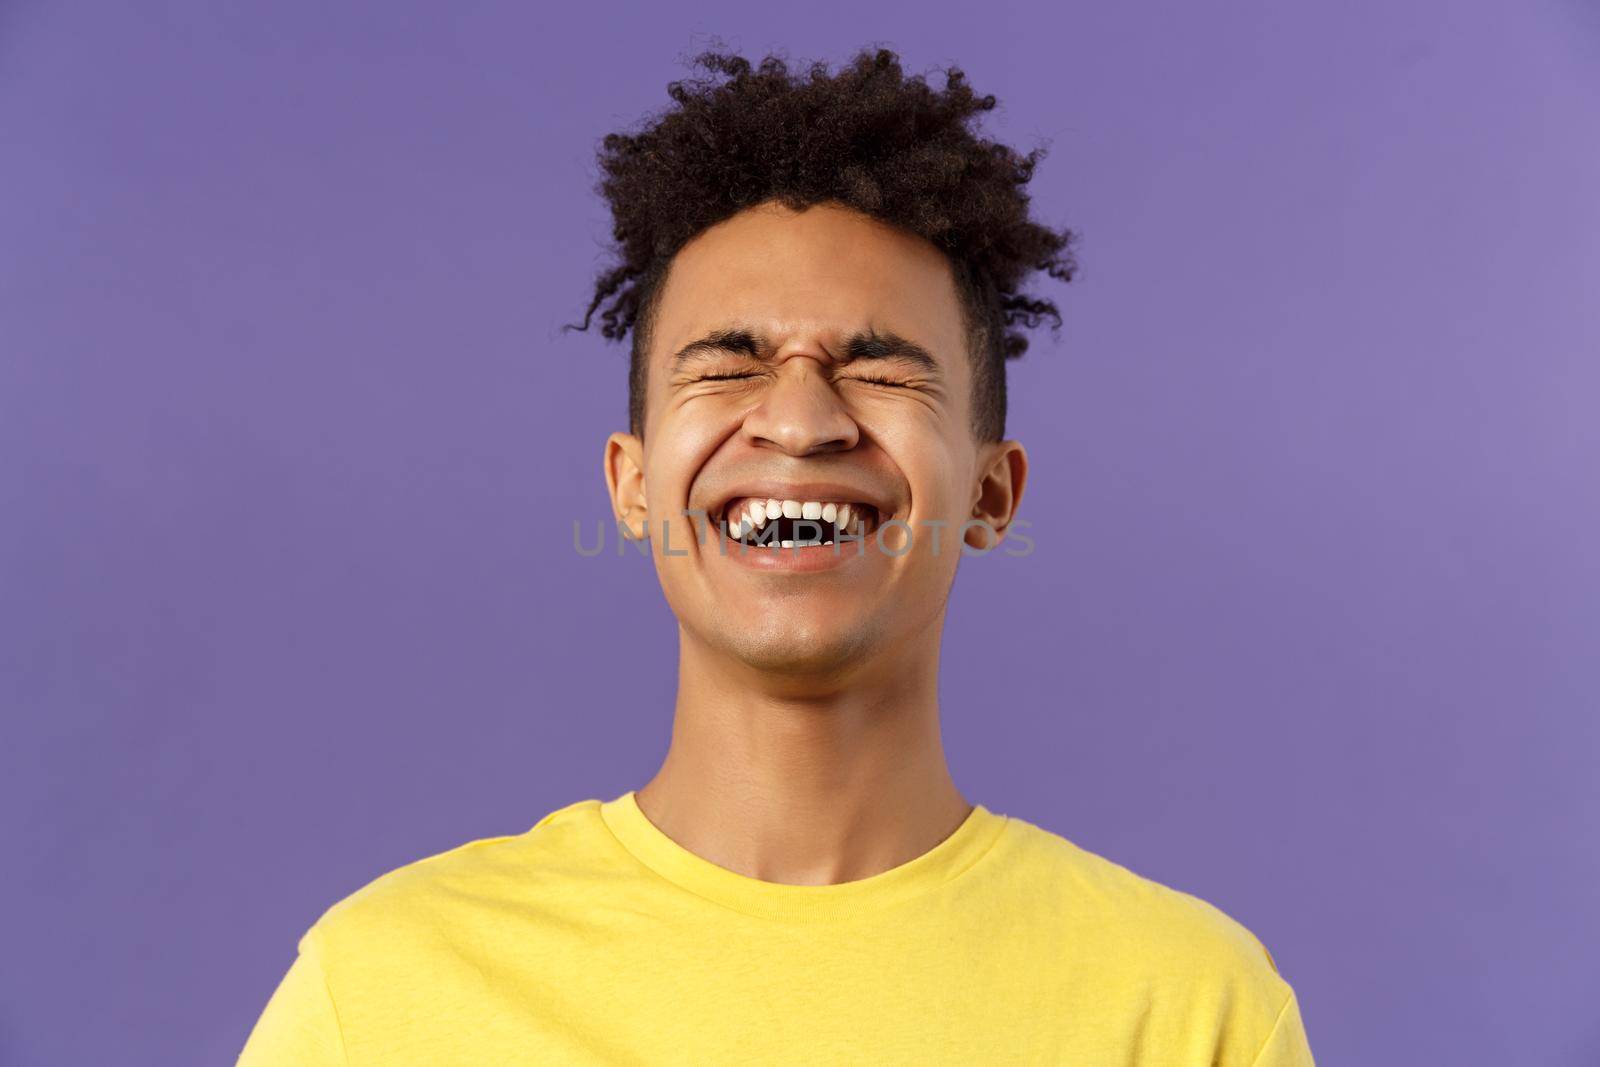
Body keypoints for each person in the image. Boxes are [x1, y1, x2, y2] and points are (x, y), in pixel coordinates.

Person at [239, 47, 1315, 1065]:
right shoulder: (382, 992)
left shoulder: (1187, 1005)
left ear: (990, 492)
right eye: (728, 365)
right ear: (631, 482)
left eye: (881, 370)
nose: (800, 421)